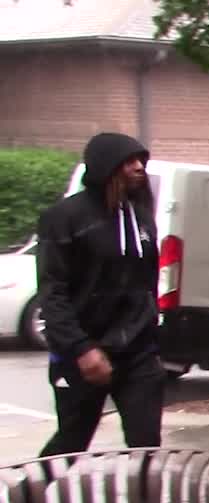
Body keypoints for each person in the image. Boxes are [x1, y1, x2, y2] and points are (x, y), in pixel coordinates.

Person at [36, 132, 164, 459]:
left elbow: (146, 283)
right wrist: (81, 349)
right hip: (82, 353)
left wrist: (151, 335)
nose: (139, 168)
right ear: (107, 166)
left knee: (147, 445)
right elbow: (53, 293)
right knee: (71, 444)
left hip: (137, 353)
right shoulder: (64, 219)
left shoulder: (141, 217)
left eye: (142, 161)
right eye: (130, 161)